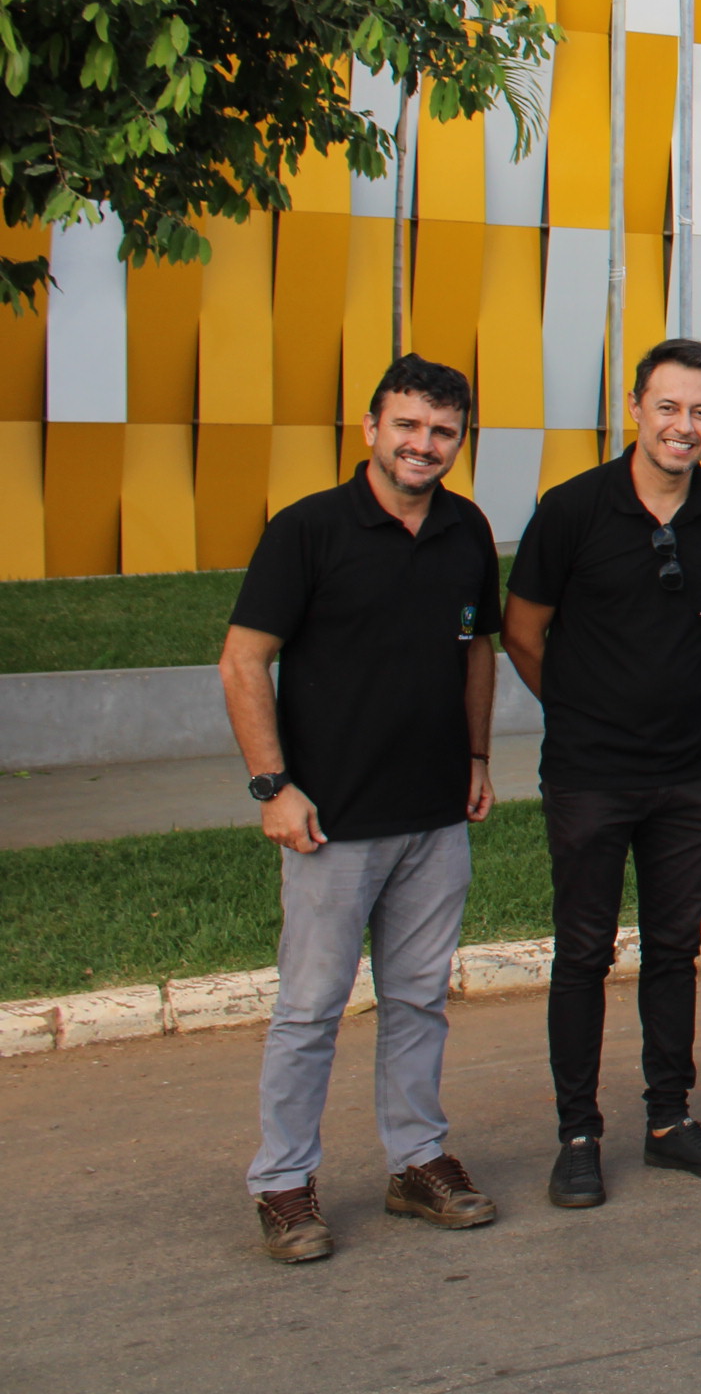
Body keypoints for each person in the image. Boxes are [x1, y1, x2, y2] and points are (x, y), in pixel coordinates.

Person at [221, 354, 505, 1262]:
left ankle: (416, 1162)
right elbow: (242, 659)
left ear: (460, 441)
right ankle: (283, 1183)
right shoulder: (308, 530)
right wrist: (273, 787)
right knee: (310, 1009)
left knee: (419, 999)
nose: (424, 444)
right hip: (329, 823)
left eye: (443, 431)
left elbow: (476, 649)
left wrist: (476, 757)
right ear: (373, 427)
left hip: (435, 816)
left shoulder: (465, 528)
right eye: (408, 425)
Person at [502, 338, 701, 1207]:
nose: (682, 426)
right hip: (589, 776)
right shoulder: (572, 510)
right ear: (635, 408)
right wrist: (582, 710)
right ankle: (578, 1135)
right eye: (668, 407)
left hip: (687, 774)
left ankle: (669, 1121)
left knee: (674, 951)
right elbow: (523, 633)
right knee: (582, 953)